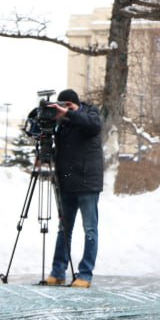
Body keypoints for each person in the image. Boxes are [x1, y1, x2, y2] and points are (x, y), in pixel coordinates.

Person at [44, 88, 104, 288]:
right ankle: (57, 272)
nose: (64, 109)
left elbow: (93, 126)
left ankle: (85, 274)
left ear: (75, 104)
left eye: (68, 105)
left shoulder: (90, 114)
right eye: (62, 106)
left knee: (90, 230)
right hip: (66, 184)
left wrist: (70, 113)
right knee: (64, 229)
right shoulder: (62, 124)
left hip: (87, 183)